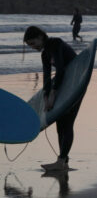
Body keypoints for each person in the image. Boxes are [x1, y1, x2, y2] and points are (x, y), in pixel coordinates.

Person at [23, 26, 82, 171]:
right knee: (60, 125)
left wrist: (53, 94)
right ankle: (63, 161)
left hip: (76, 85)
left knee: (67, 123)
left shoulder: (56, 43)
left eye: (33, 43)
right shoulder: (45, 55)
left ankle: (61, 161)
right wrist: (45, 96)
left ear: (41, 36)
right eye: (30, 45)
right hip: (64, 86)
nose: (32, 47)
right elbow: (47, 77)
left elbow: (61, 70)